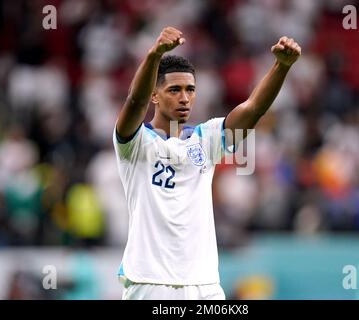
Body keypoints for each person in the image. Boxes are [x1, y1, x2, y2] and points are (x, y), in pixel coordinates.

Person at [114, 26, 301, 300]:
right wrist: (154, 56)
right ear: (155, 95)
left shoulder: (206, 139)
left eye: (190, 90)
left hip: (205, 286)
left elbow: (253, 109)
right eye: (174, 90)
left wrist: (281, 67)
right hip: (150, 283)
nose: (184, 98)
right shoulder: (135, 143)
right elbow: (135, 101)